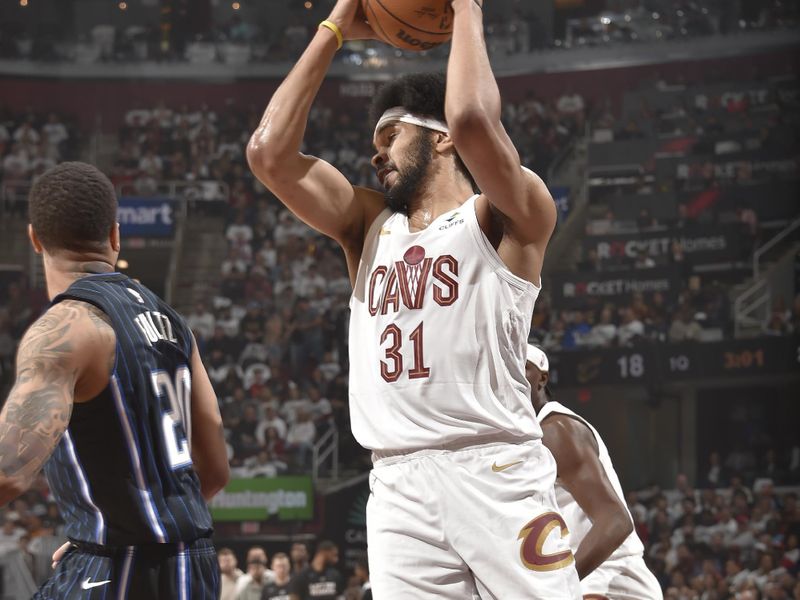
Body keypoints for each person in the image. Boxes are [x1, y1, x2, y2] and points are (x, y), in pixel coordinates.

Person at [246, 0, 578, 596]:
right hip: (397, 485)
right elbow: (269, 154)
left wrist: (467, 8)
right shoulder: (367, 225)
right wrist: (334, 28)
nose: (376, 155)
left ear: (442, 139)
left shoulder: (506, 214)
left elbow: (475, 118)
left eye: (390, 135)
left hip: (495, 470)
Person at [0, 162, 229, 598]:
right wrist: (113, 525)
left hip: (118, 571)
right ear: (114, 235)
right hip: (194, 569)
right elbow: (214, 471)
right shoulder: (173, 322)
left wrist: (115, 540)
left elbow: (8, 472)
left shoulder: (66, 328)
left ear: (34, 239)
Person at [526, 344, 663, 599]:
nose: (511, 376)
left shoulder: (556, 429)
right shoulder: (525, 434)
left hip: (608, 577)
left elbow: (616, 521)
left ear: (542, 378)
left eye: (523, 367)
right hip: (583, 578)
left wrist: (559, 584)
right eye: (505, 370)